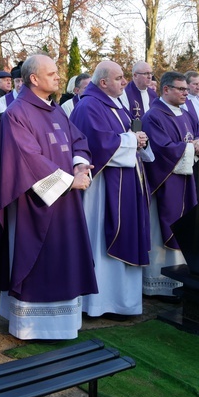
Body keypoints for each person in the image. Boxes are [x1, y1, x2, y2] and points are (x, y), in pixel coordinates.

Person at [0, 54, 98, 340]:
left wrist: (81, 164)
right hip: (33, 204)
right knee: (38, 257)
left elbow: (77, 140)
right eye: (52, 74)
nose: (59, 77)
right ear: (34, 79)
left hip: (67, 198)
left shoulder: (55, 109)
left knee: (65, 254)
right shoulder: (17, 113)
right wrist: (71, 181)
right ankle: (31, 325)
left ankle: (62, 323)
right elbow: (26, 159)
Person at [70, 61, 152, 319]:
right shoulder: (89, 105)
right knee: (102, 239)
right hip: (104, 186)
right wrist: (131, 140)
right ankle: (100, 302)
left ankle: (122, 301)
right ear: (103, 82)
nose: (124, 82)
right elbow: (97, 142)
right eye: (119, 78)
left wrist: (138, 140)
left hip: (126, 181)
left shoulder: (116, 104)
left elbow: (124, 135)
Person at [141, 72, 199, 299]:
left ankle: (181, 280)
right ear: (166, 89)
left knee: (185, 225)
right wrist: (191, 148)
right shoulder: (154, 116)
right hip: (166, 184)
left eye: (186, 90)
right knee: (164, 230)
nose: (185, 93)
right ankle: (159, 282)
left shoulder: (186, 113)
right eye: (180, 89)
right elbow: (162, 150)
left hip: (185, 180)